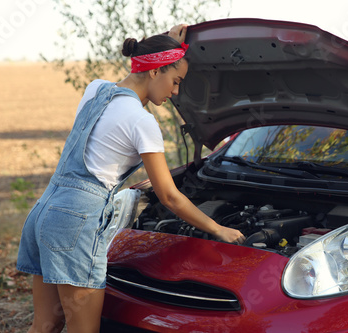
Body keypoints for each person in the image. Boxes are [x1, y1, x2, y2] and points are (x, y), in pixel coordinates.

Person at [16, 24, 246, 333]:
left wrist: (167, 46)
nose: (175, 92)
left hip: (44, 212)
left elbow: (147, 62)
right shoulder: (142, 121)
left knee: (44, 326)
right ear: (155, 71)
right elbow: (169, 196)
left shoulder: (96, 89)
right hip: (76, 223)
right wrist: (218, 229)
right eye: (176, 81)